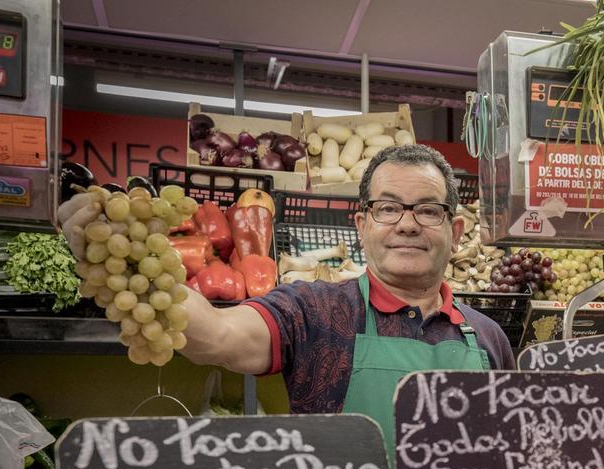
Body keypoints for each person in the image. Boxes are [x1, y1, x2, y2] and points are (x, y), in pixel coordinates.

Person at [62, 144, 514, 450]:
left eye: (429, 210)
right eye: (388, 207)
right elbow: (216, 335)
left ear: (455, 232)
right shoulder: (312, 310)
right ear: (362, 226)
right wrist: (128, 260)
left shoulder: (490, 337)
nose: (408, 224)